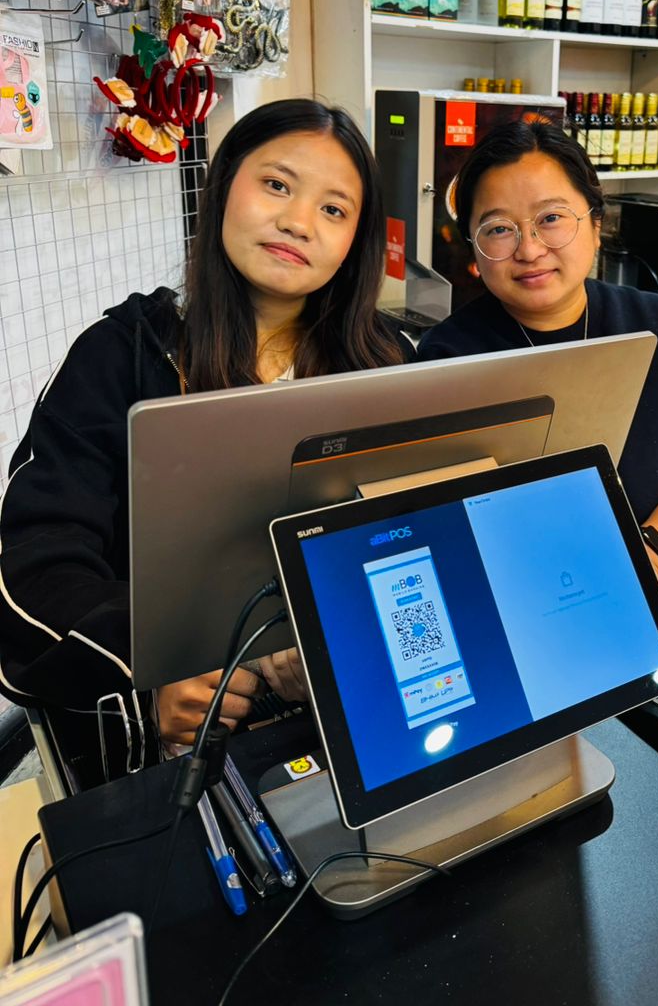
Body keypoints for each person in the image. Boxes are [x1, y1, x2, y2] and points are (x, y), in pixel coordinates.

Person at [0, 98, 405, 788]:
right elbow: (38, 563)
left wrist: (310, 637)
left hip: (355, 721)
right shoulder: (123, 356)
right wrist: (158, 671)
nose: (298, 222)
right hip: (172, 750)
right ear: (221, 188)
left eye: (334, 210)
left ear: (357, 241)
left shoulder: (388, 366)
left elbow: (409, 530)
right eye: (276, 184)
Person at [417, 119, 658, 650]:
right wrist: (616, 598)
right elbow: (465, 533)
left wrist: (646, 560)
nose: (530, 248)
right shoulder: (449, 358)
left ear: (595, 224)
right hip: (525, 622)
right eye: (499, 228)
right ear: (474, 252)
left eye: (551, 219)